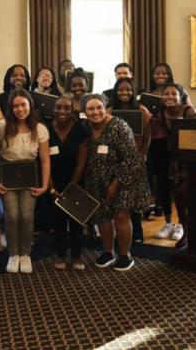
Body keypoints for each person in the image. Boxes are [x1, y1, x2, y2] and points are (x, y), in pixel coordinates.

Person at [81, 94, 150, 271]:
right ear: (84, 112)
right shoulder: (85, 127)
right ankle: (108, 252)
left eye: (99, 108)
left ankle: (125, 255)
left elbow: (131, 158)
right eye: (90, 109)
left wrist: (115, 183)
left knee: (121, 214)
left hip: (125, 177)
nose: (95, 112)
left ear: (105, 108)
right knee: (102, 215)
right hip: (97, 178)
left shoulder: (119, 126)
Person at [0, 89, 50, 274]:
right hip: (7, 178)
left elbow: (45, 159)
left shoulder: (39, 128)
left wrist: (45, 185)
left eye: (23, 104)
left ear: (29, 105)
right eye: (15, 105)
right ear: (11, 108)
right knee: (11, 217)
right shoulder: (2, 126)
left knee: (26, 217)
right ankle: (13, 254)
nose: (20, 108)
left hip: (30, 177)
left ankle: (25, 254)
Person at [108, 77, 152, 243]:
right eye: (120, 90)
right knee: (118, 200)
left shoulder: (142, 111)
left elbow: (147, 137)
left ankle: (137, 234)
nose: (124, 93)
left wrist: (141, 156)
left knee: (132, 199)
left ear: (133, 92)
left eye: (128, 89)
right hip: (116, 163)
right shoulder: (110, 111)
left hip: (136, 161)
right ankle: (119, 235)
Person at [147, 62, 190, 229]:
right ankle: (168, 222)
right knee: (162, 184)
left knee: (179, 187)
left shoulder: (179, 92)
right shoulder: (147, 96)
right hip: (158, 145)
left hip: (178, 146)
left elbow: (191, 115)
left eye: (164, 73)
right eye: (157, 73)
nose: (160, 76)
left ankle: (182, 225)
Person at [48, 96, 88, 270]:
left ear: (73, 111)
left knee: (75, 220)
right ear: (53, 109)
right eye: (58, 107)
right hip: (52, 181)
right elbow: (44, 161)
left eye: (66, 108)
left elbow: (81, 162)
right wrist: (51, 187)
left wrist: (72, 187)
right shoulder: (46, 130)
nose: (62, 111)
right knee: (57, 219)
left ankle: (77, 255)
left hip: (76, 180)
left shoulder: (81, 131)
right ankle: (60, 254)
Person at [159, 84, 196, 249]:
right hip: (175, 161)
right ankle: (186, 233)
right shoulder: (161, 115)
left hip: (192, 160)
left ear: (181, 96)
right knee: (179, 199)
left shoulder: (189, 112)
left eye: (173, 94)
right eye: (166, 94)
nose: (169, 97)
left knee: (191, 198)